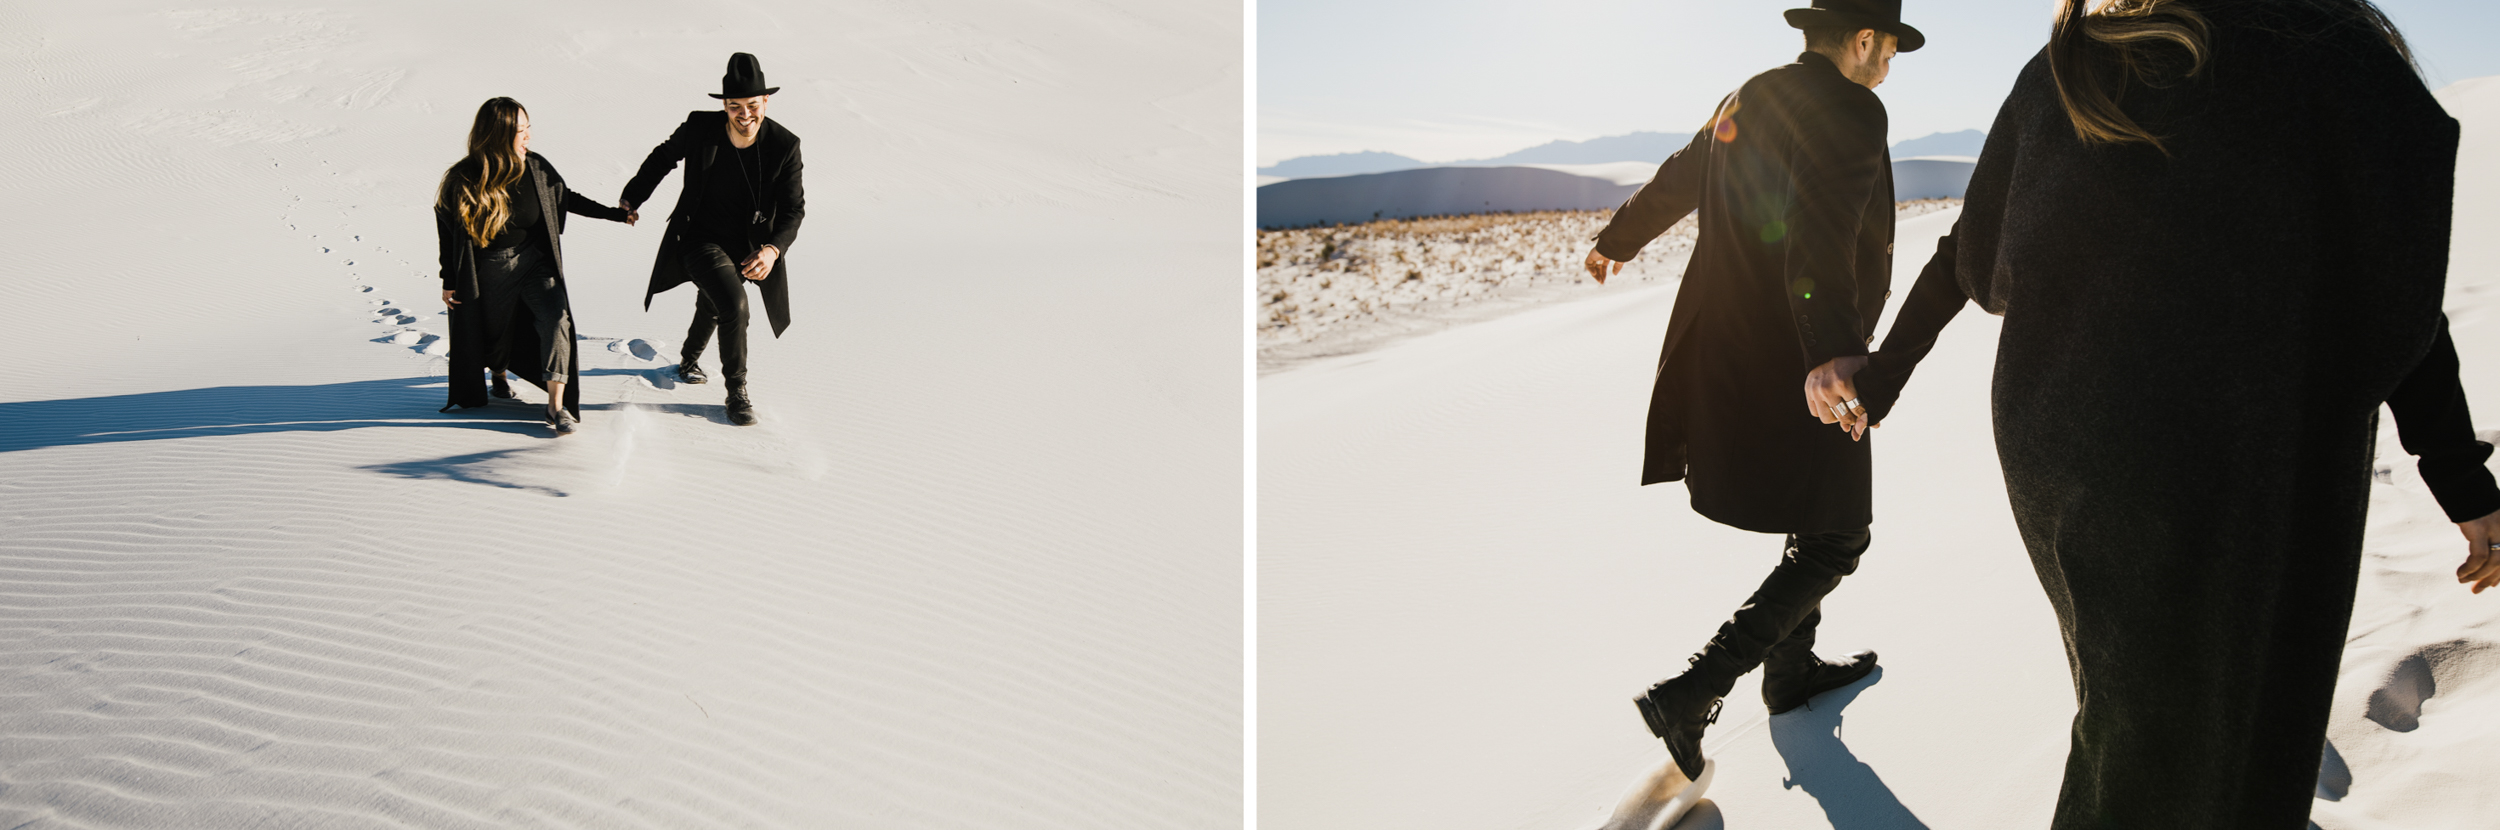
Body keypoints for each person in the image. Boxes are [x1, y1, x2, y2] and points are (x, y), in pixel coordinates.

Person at [1840, 0, 2500, 825]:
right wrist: (2462, 480)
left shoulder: (2074, 63)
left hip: (2069, 453)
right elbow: (2392, 291)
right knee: (2217, 733)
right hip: (2245, 462)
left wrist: (1884, 375)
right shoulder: (2336, 55)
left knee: (2135, 716)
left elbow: (1969, 253)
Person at [1579, 0, 1923, 782]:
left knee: (1817, 514)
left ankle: (1791, 675)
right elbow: (1820, 232)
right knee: (1840, 537)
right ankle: (1693, 690)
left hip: (1735, 350)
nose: (1890, 64)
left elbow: (1686, 172)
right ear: (1865, 39)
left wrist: (1618, 237)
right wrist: (1832, 354)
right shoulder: (1853, 109)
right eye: (1891, 47)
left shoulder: (1753, 93)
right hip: (1802, 357)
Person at [618, 52, 806, 427]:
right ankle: (737, 391)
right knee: (734, 304)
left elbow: (793, 210)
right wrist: (632, 197)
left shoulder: (784, 146)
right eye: (735, 106)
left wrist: (772, 250)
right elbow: (662, 158)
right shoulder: (700, 128)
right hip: (697, 237)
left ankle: (688, 358)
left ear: (765, 102)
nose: (745, 115)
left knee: (716, 296)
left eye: (753, 105)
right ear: (724, 105)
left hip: (749, 247)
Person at [435, 97, 633, 434]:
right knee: (496, 336)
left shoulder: (537, 167)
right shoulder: (464, 178)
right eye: (520, 131)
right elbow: (447, 231)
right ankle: (498, 372)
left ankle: (556, 407)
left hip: (536, 262)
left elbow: (565, 198)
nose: (528, 137)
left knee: (557, 319)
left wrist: (615, 214)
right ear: (498, 135)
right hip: (490, 267)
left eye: (528, 128)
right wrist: (449, 278)